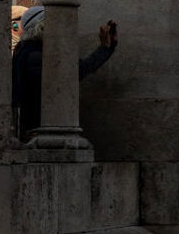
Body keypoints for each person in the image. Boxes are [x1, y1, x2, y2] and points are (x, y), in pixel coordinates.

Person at [11, 11, 118, 140]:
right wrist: (105, 49)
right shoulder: (36, 55)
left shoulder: (30, 50)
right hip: (40, 131)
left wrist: (106, 48)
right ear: (43, 28)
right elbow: (73, 73)